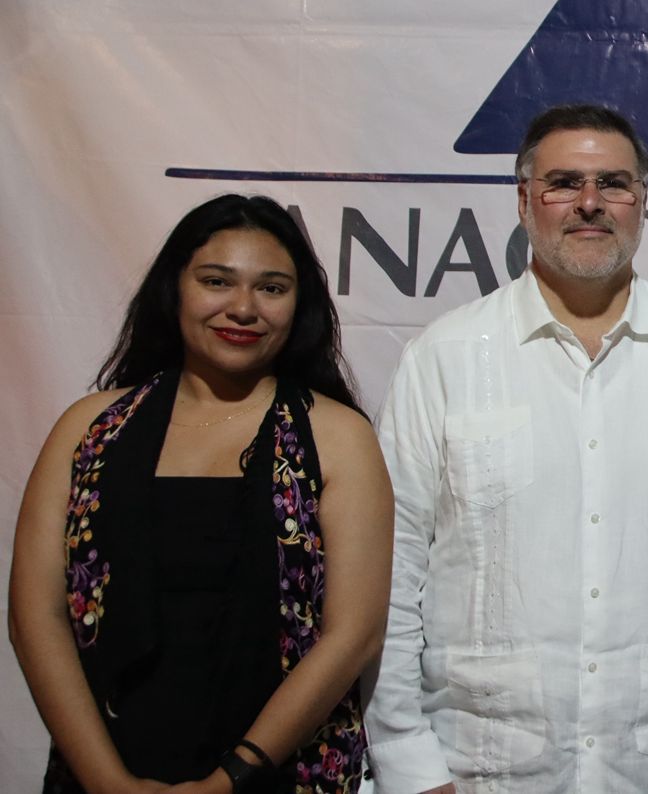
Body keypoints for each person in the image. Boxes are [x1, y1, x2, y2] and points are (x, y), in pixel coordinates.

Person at [365, 103, 648, 794]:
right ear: (524, 201)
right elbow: (391, 571)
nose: (591, 203)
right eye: (564, 182)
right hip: (481, 766)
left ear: (642, 203)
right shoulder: (444, 357)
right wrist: (405, 757)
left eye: (615, 184)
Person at [8, 194, 393, 793]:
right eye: (217, 281)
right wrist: (107, 782)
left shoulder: (337, 437)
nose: (242, 308)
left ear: (299, 305)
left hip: (276, 775)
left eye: (271, 288)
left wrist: (229, 779)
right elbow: (36, 616)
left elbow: (354, 636)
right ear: (175, 289)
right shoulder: (89, 429)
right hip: (103, 772)